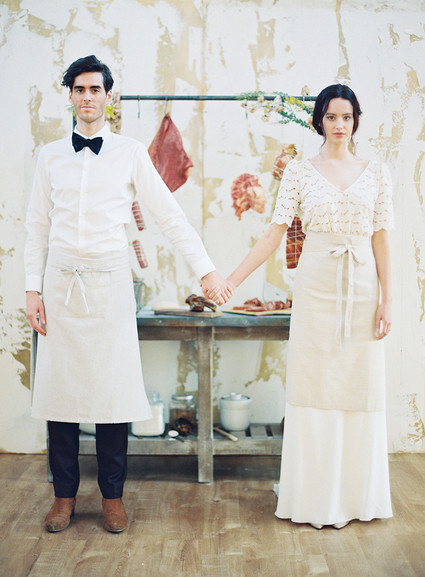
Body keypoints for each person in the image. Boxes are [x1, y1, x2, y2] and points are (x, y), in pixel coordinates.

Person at [25, 55, 231, 533]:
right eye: (79, 89)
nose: (87, 97)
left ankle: (112, 497)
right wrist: (32, 289)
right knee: (60, 398)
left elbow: (169, 215)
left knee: (113, 395)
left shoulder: (131, 152)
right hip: (60, 287)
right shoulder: (49, 156)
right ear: (70, 96)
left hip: (110, 286)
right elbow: (36, 227)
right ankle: (63, 497)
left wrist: (206, 270)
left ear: (109, 96)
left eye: (95, 89)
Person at [207, 84, 394, 529]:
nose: (339, 125)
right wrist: (231, 280)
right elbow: (274, 235)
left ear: (356, 120)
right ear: (319, 121)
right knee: (314, 385)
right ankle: (315, 499)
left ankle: (356, 498)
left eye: (347, 117)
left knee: (360, 384)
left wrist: (388, 299)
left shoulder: (377, 171)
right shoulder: (299, 172)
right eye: (331, 117)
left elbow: (382, 238)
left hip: (362, 288)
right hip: (315, 289)